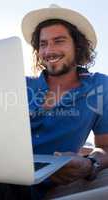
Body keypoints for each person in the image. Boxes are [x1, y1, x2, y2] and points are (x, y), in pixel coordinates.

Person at [21, 4, 108, 199]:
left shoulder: (99, 86)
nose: (49, 50)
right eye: (43, 44)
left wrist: (90, 163)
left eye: (58, 41)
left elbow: (106, 145)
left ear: (77, 46)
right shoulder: (21, 85)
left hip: (39, 187)